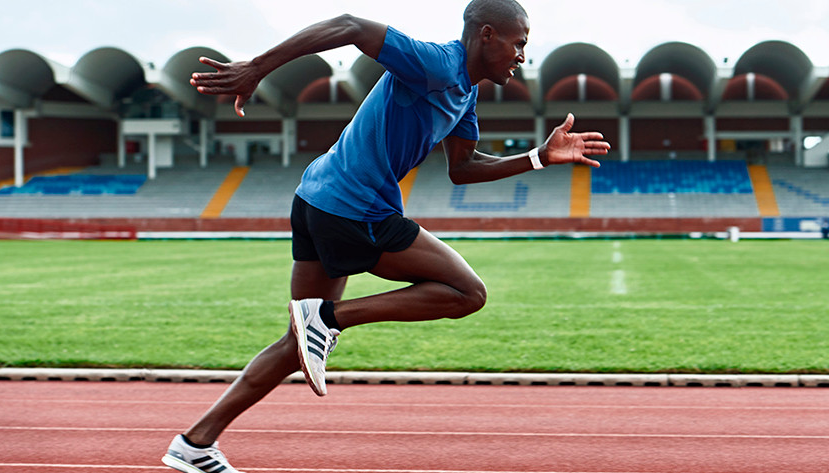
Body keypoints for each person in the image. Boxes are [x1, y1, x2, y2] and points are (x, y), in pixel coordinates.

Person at [163, 1, 610, 471]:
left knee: (297, 340)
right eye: (518, 42)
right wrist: (257, 67)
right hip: (355, 207)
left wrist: (539, 157)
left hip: (318, 198)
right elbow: (350, 25)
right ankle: (331, 319)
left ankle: (194, 443)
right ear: (486, 35)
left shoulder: (464, 96)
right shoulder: (437, 63)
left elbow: (463, 169)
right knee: (467, 293)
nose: (522, 55)